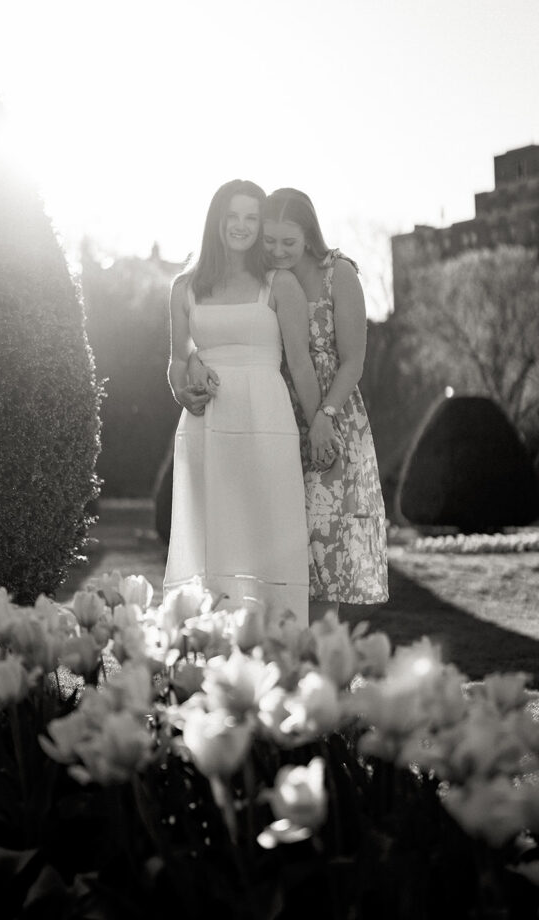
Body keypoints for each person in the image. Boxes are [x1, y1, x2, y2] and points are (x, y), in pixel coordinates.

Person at [191, 188, 388, 625]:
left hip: (331, 414)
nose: (278, 251)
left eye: (289, 243)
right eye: (270, 241)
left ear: (309, 236)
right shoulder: (262, 280)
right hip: (274, 417)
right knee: (280, 548)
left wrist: (324, 419)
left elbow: (353, 360)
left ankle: (325, 674)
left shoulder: (339, 274)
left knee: (324, 551)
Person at [164, 180, 331, 627]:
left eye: (251, 217)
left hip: (267, 422)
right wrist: (187, 389)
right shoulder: (185, 286)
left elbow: (300, 364)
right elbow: (177, 361)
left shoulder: (280, 284)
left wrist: (320, 423)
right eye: (232, 216)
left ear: (260, 225)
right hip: (207, 428)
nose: (241, 226)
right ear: (216, 221)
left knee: (268, 538)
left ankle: (279, 656)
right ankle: (208, 654)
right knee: (213, 543)